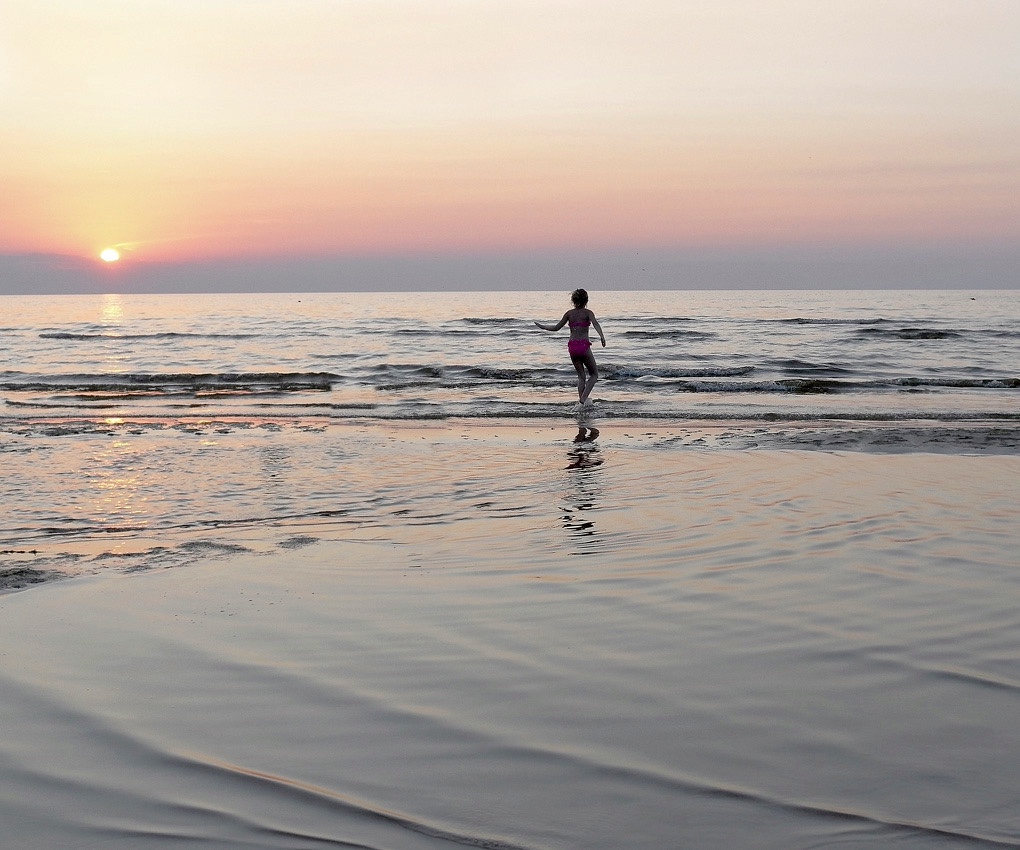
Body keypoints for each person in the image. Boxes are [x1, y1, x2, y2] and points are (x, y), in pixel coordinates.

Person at [534, 289, 606, 405]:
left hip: (572, 347)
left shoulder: (569, 314)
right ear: (586, 300)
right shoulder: (588, 313)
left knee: (581, 377)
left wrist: (543, 327)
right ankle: (583, 400)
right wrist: (602, 336)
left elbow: (556, 328)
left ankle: (583, 404)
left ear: (573, 300)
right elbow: (596, 324)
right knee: (594, 375)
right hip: (584, 346)